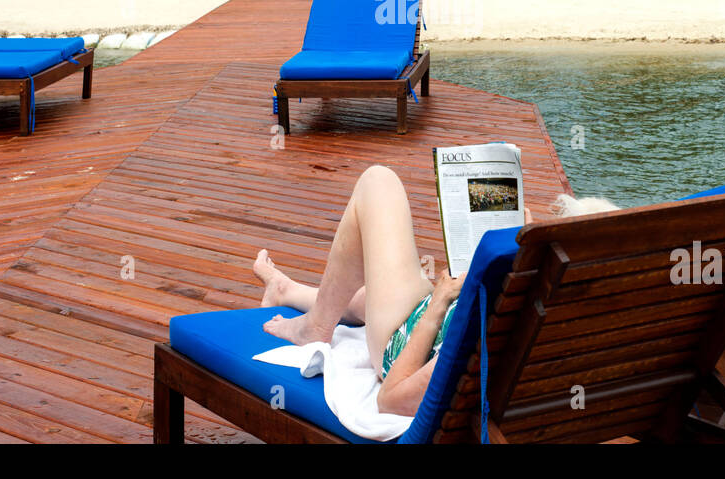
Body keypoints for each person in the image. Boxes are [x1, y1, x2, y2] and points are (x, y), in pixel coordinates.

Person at [252, 164, 615, 416]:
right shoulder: (593, 328)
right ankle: (287, 290)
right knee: (367, 297)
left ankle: (315, 326)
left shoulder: (497, 325)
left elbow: (392, 399)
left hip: (406, 337)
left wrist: (438, 306)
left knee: (378, 183)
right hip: (437, 310)